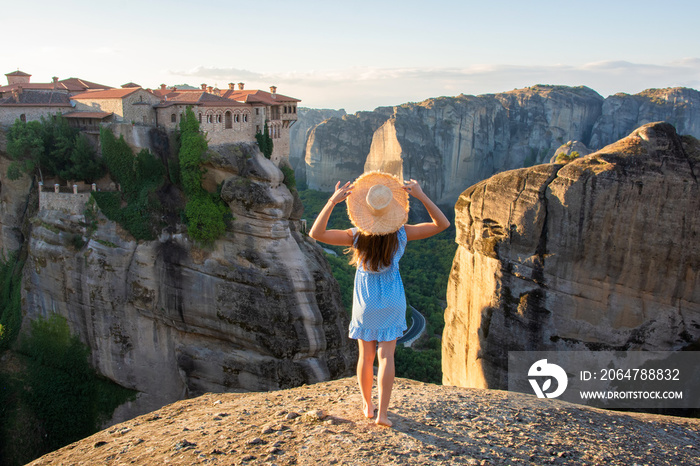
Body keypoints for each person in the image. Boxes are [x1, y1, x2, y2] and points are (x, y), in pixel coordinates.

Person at [309, 171, 450, 427]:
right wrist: (421, 195)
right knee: (387, 357)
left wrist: (332, 202)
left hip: (366, 301)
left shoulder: (356, 235)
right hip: (393, 299)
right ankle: (383, 414)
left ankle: (367, 405)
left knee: (366, 357)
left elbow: (315, 233)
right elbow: (442, 225)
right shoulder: (402, 234)